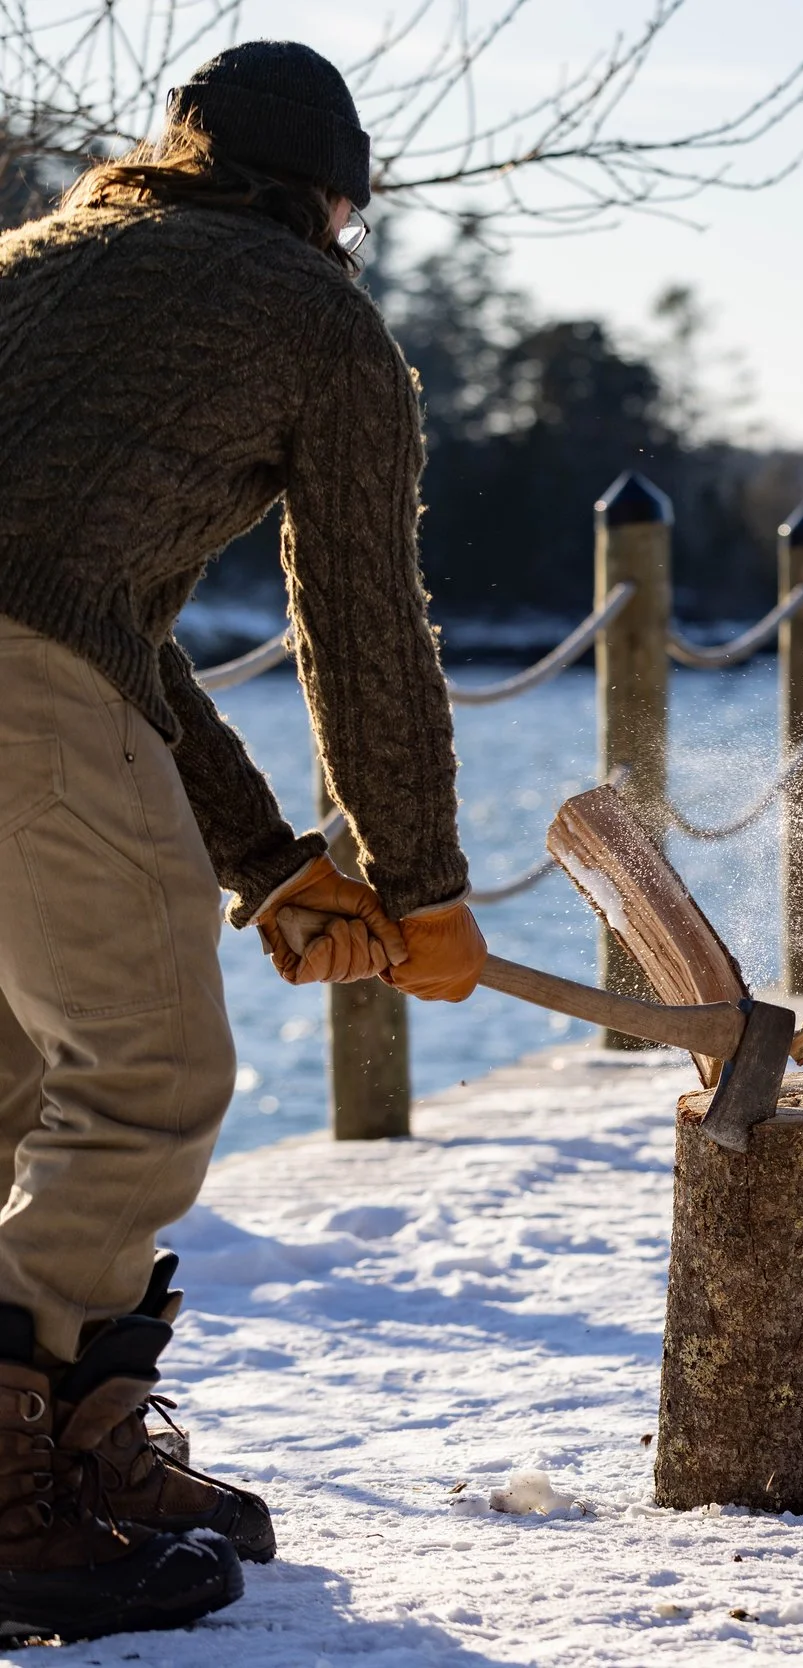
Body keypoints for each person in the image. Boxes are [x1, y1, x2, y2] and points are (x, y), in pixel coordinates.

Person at [0, 41, 487, 1637]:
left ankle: (72, 1450)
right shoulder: (314, 314)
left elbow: (107, 620)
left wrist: (273, 864)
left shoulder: (37, 262)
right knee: (147, 1080)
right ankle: (12, 1500)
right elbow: (360, 623)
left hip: (39, 665)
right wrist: (421, 890)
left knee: (13, 1080)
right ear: (333, 204)